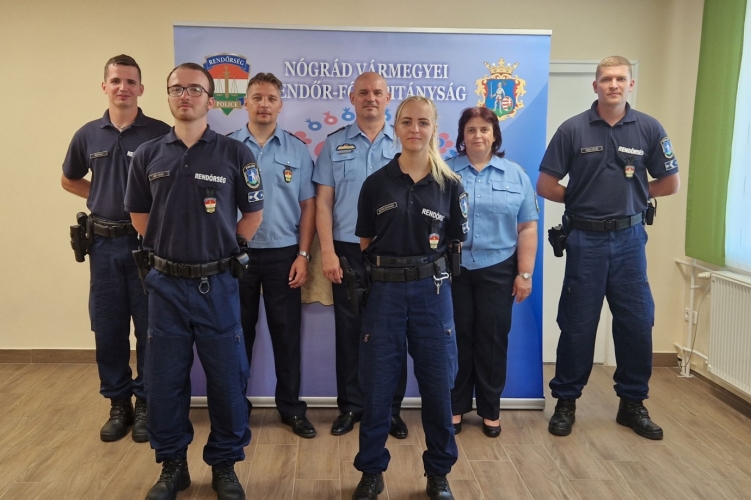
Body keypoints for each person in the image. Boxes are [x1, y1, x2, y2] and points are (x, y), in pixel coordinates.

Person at [125, 62, 263, 500]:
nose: (185, 95)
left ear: (211, 98)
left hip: (217, 285)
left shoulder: (235, 153)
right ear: (167, 95)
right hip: (164, 286)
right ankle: (173, 465)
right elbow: (139, 216)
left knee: (227, 381)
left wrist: (221, 249)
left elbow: (253, 214)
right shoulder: (147, 154)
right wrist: (171, 249)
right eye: (177, 89)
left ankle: (225, 464)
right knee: (164, 382)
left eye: (195, 89)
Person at [537, 56, 680, 440]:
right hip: (585, 240)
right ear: (595, 85)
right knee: (577, 325)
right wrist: (581, 199)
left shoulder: (649, 128)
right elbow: (545, 185)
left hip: (630, 241)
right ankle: (566, 402)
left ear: (630, 84)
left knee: (637, 323)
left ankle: (632, 404)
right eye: (605, 79)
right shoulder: (572, 129)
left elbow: (670, 183)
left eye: (620, 78)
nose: (613, 84)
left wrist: (635, 195)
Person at [352, 96, 467, 500]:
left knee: (437, 387)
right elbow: (365, 241)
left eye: (423, 122)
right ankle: (371, 472)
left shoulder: (450, 185)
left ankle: (439, 473)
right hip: (384, 292)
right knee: (377, 387)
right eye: (406, 122)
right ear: (396, 127)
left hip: (432, 292)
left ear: (435, 128)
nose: (414, 129)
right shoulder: (376, 183)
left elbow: (455, 240)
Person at [61, 54, 170, 443]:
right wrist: (102, 196)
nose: (123, 87)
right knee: (108, 328)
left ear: (141, 88)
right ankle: (118, 402)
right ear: (104, 86)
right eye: (116, 81)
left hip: (146, 245)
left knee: (150, 328)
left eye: (130, 81)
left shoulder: (160, 133)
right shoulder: (88, 134)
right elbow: (69, 179)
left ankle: (146, 403)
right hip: (104, 247)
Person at [313, 72, 408, 438]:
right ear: (352, 98)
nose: (371, 98)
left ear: (388, 98)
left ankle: (391, 410)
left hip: (394, 252)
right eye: (363, 92)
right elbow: (323, 203)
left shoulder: (404, 142)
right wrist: (328, 253)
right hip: (347, 251)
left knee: (392, 332)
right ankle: (351, 406)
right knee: (350, 330)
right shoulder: (334, 144)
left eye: (377, 92)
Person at [227, 72, 317, 439]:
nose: (264, 104)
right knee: (237, 336)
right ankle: (236, 407)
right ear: (245, 103)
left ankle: (291, 408)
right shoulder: (227, 147)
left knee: (287, 336)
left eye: (271, 98)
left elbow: (309, 206)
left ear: (280, 105)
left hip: (284, 255)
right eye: (257, 97)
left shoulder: (297, 149)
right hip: (238, 256)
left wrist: (304, 254)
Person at [445, 107, 538, 438]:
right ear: (462, 135)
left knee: (493, 339)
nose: (478, 135)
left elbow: (527, 227)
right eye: (471, 129)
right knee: (456, 339)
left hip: (499, 268)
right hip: (453, 268)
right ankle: (455, 407)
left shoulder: (515, 175)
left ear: (495, 135)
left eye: (484, 129)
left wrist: (524, 274)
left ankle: (490, 409)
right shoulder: (444, 171)